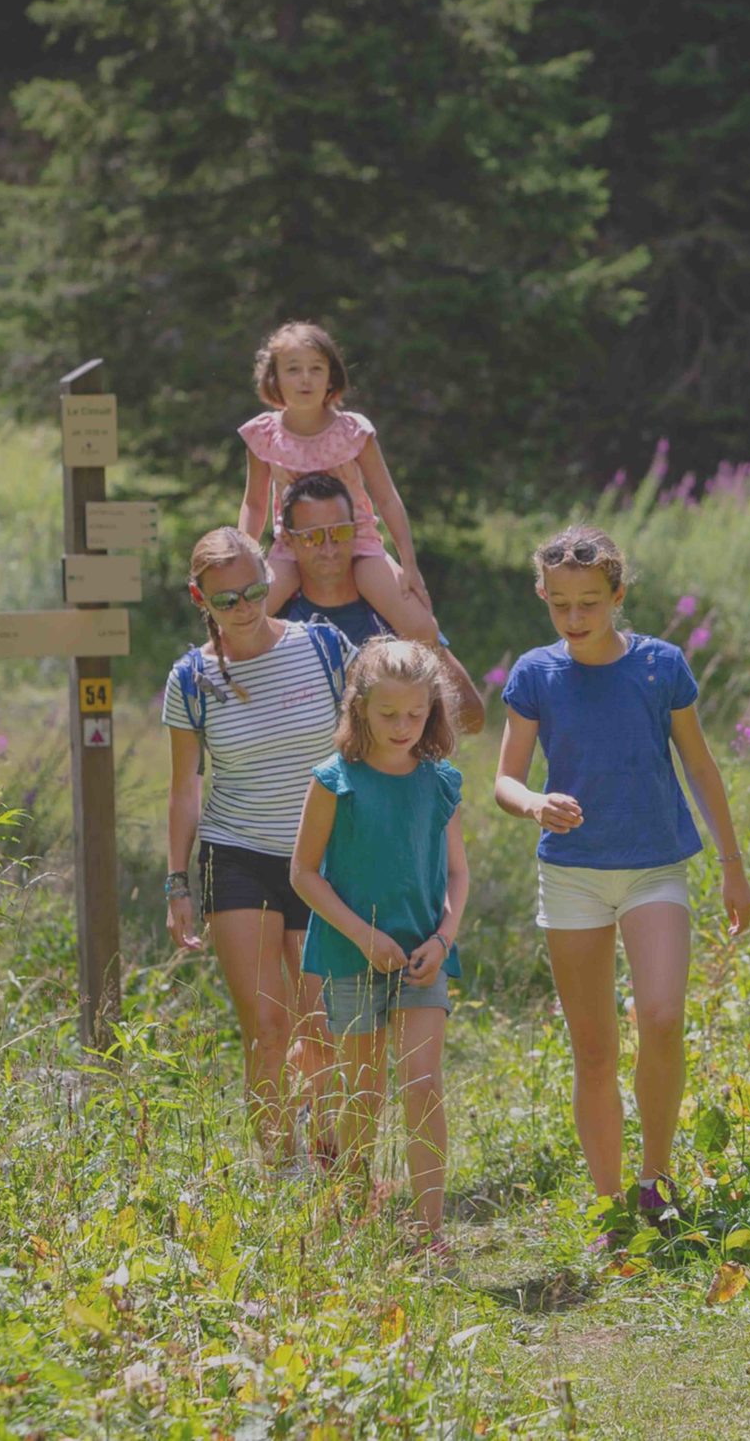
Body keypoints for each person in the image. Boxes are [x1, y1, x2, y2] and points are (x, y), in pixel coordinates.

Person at [492, 525, 750, 1233]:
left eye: (590, 604)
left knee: (663, 1016)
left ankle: (654, 1180)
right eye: (561, 605)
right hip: (573, 875)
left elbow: (699, 765)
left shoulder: (660, 667)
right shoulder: (535, 675)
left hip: (654, 868)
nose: (575, 620)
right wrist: (535, 803)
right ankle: (610, 1205)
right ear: (543, 597)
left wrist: (732, 865)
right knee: (596, 1048)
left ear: (618, 596)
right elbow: (504, 779)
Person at [162, 526, 352, 1174]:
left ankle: (330, 1167)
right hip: (235, 854)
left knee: (322, 1025)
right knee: (268, 1029)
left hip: (320, 856)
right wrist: (175, 881)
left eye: (253, 591)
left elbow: (373, 738)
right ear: (199, 598)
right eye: (226, 600)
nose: (243, 608)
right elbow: (186, 786)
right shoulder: (191, 677)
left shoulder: (323, 647)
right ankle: (277, 1171)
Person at [289, 641, 471, 1250]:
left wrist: (444, 938)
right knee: (362, 1089)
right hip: (350, 955)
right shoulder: (334, 781)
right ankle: (353, 1217)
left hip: (424, 959)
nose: (401, 727)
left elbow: (457, 875)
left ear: (433, 710)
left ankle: (429, 1231)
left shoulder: (439, 782)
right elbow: (303, 874)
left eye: (414, 715)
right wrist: (364, 937)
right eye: (387, 713)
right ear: (358, 707)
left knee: (422, 1083)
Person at [234, 320, 438, 643]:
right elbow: (254, 503)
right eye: (293, 369)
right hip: (292, 549)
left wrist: (409, 564)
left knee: (423, 627)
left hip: (359, 546)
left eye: (316, 368)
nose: (305, 379)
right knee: (241, 621)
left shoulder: (353, 432)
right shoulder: (263, 436)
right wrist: (245, 562)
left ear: (332, 376)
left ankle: (423, 692)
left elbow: (387, 498)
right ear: (274, 377)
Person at [275, 469, 487, 734]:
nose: (328, 549)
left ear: (356, 530)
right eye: (312, 537)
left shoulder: (394, 613)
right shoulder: (275, 624)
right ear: (287, 538)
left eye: (339, 532)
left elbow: (473, 718)